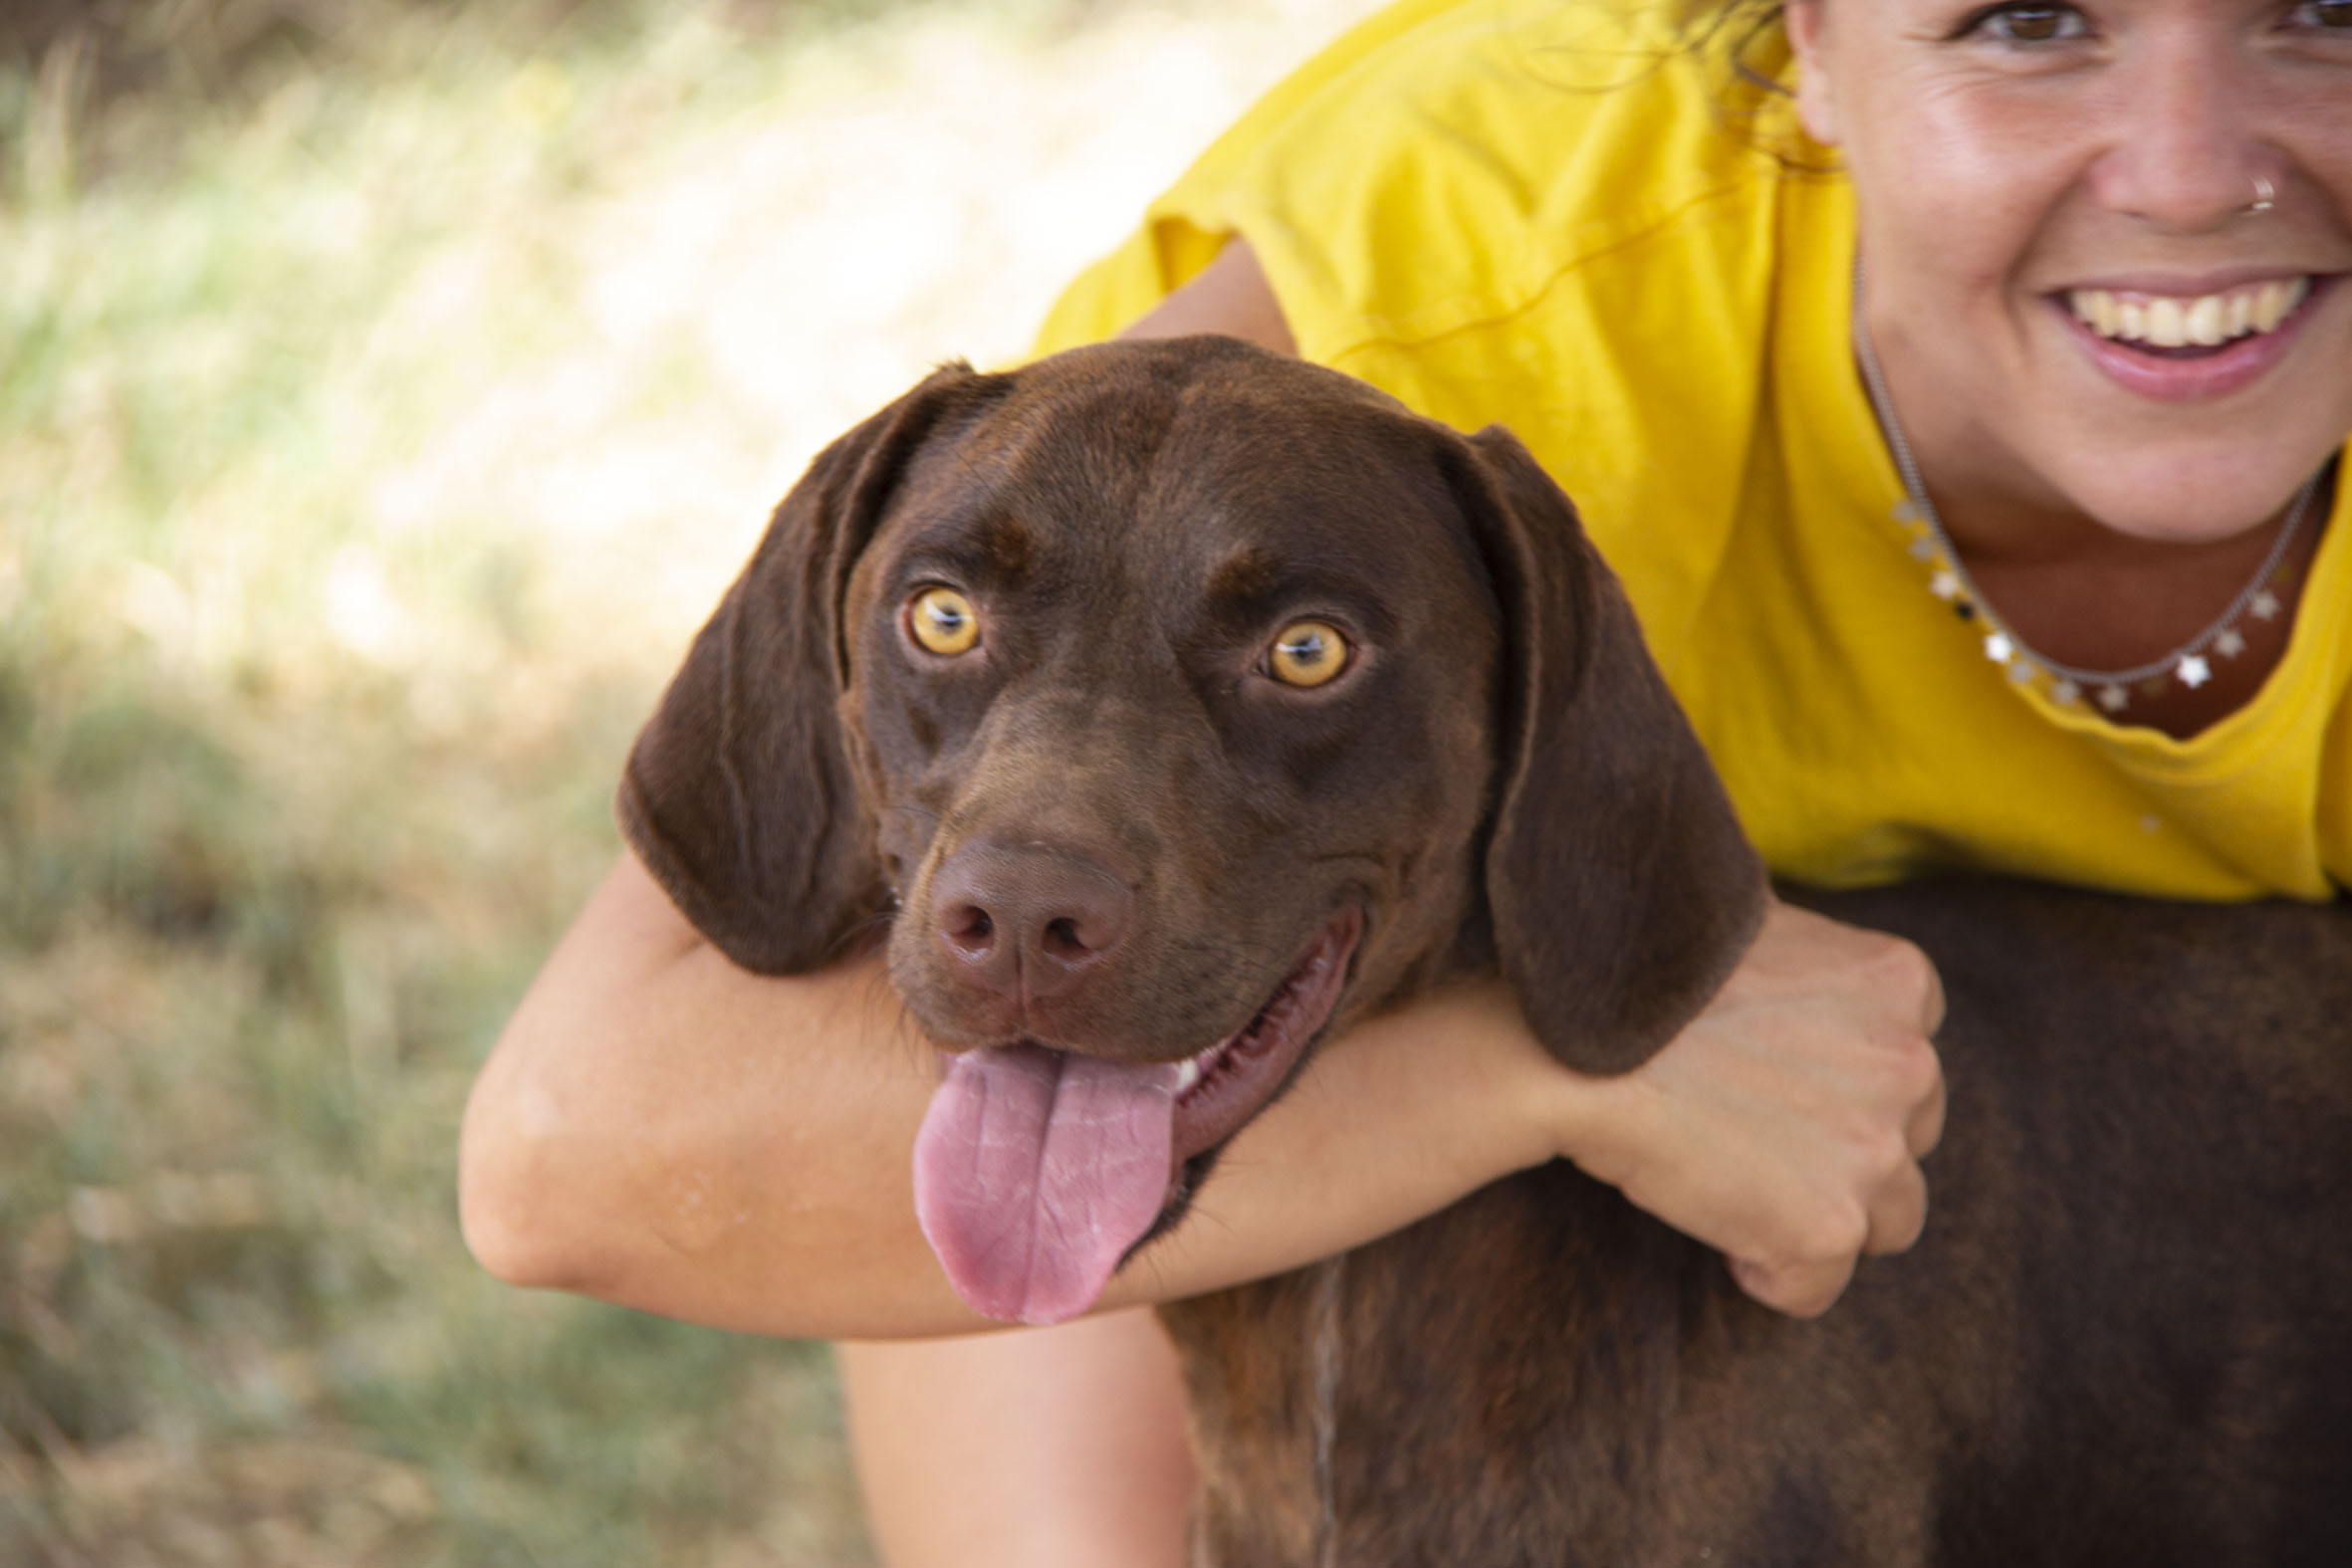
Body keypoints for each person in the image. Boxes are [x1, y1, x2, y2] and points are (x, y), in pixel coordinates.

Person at [458, 0, 2352, 1559]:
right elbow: (565, 1158)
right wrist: (1555, 1069)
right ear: (1813, 42)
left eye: (2322, 12)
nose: (2183, 170)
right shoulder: (1451, 279)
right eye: (2025, 20)